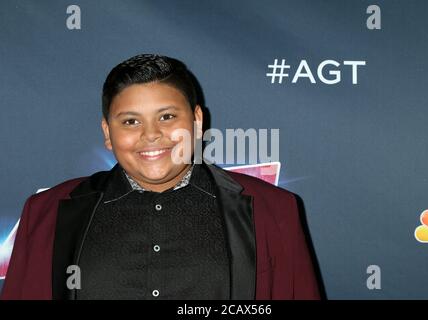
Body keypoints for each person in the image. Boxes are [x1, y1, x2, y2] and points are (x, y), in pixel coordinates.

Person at [1, 54, 321, 300]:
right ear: (107, 133)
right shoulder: (47, 212)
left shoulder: (273, 211)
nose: (151, 135)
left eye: (167, 117)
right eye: (130, 121)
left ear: (196, 121)